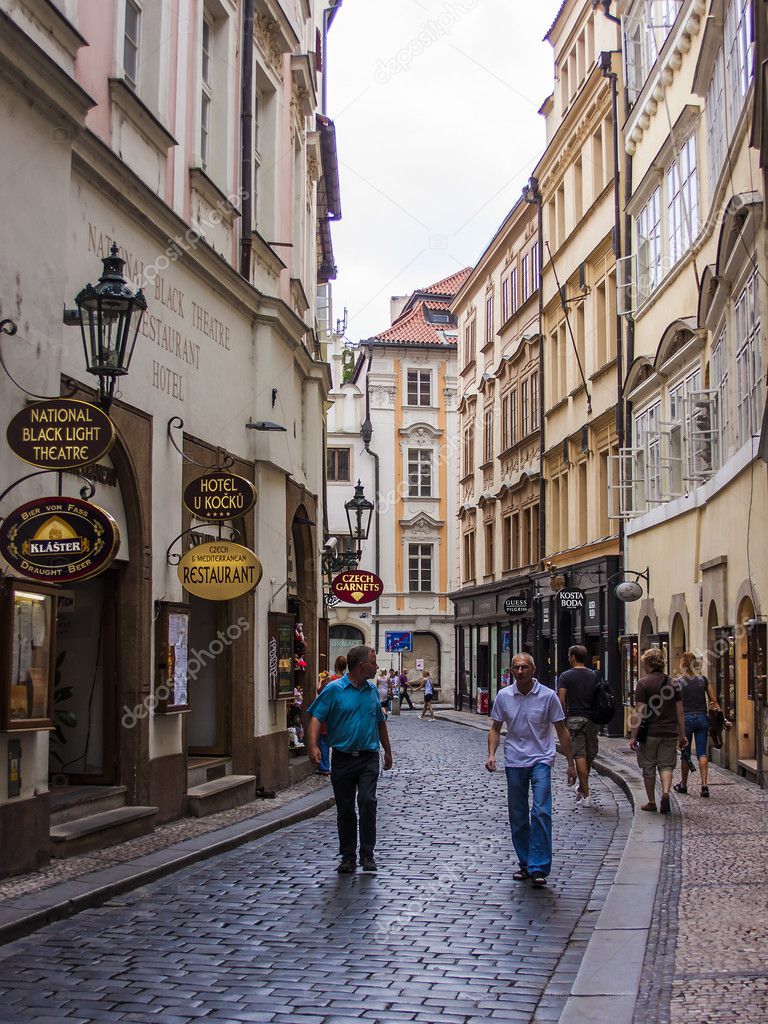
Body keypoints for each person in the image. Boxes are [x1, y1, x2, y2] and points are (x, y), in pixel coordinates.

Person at [486, 652, 576, 888]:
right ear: (511, 671)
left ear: (533, 670)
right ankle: (525, 863)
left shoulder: (548, 697)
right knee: (518, 814)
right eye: (516, 668)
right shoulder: (504, 696)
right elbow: (495, 728)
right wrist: (491, 754)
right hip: (514, 760)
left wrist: (570, 762)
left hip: (541, 760)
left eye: (525, 667)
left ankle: (539, 866)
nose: (520, 671)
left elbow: (562, 730)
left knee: (540, 811)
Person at [306, 645, 393, 873]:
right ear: (361, 665)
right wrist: (313, 745)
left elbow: (380, 722)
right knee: (345, 809)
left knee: (367, 802)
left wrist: (388, 751)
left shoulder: (372, 691)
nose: (376, 667)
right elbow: (316, 716)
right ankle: (347, 857)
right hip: (343, 759)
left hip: (368, 757)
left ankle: (367, 855)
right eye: (373, 663)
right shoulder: (334, 689)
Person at [630, 648, 687, 813]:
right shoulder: (674, 683)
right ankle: (666, 792)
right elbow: (680, 712)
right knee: (666, 766)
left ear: (648, 664)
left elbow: (638, 711)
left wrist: (634, 736)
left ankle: (651, 802)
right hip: (670, 732)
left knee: (648, 767)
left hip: (650, 734)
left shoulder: (643, 683)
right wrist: (682, 735)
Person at [673, 651, 720, 798]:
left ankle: (684, 785)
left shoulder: (678, 682)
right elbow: (713, 700)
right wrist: (720, 717)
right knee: (702, 752)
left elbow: (674, 704)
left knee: (685, 754)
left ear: (682, 664)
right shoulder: (703, 680)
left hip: (685, 720)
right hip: (701, 718)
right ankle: (704, 785)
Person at [557, 645, 599, 808]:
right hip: (592, 720)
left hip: (575, 719)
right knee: (589, 755)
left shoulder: (566, 676)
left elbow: (561, 699)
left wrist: (564, 719)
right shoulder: (594, 675)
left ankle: (586, 795)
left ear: (573, 657)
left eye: (569, 655)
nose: (568, 658)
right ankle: (582, 787)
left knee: (580, 755)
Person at [315, 672, 332, 776]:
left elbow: (318, 690)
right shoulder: (335, 688)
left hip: (325, 724)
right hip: (333, 724)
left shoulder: (323, 691)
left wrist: (321, 680)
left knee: (324, 745)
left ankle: (325, 767)